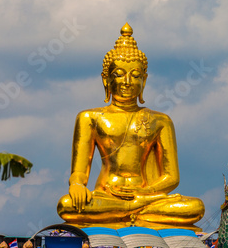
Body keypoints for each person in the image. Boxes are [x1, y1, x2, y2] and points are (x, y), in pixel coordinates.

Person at [57, 23, 204, 229]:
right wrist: (77, 185)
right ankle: (133, 214)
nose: (127, 82)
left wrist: (143, 193)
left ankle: (126, 214)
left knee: (195, 207)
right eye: (119, 74)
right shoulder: (90, 117)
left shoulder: (160, 121)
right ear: (106, 80)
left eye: (135, 75)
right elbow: (80, 171)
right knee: (66, 205)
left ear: (144, 80)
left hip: (147, 196)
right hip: (106, 196)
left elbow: (172, 177)